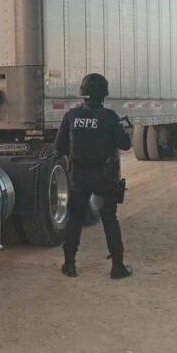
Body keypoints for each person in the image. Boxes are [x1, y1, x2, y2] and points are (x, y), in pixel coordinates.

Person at [54, 73, 133, 278]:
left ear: (83, 93)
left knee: (75, 220)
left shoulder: (71, 116)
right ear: (103, 94)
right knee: (109, 219)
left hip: (79, 177)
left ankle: (69, 264)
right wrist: (125, 131)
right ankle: (117, 267)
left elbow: (60, 147)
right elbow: (125, 144)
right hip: (104, 177)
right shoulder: (109, 117)